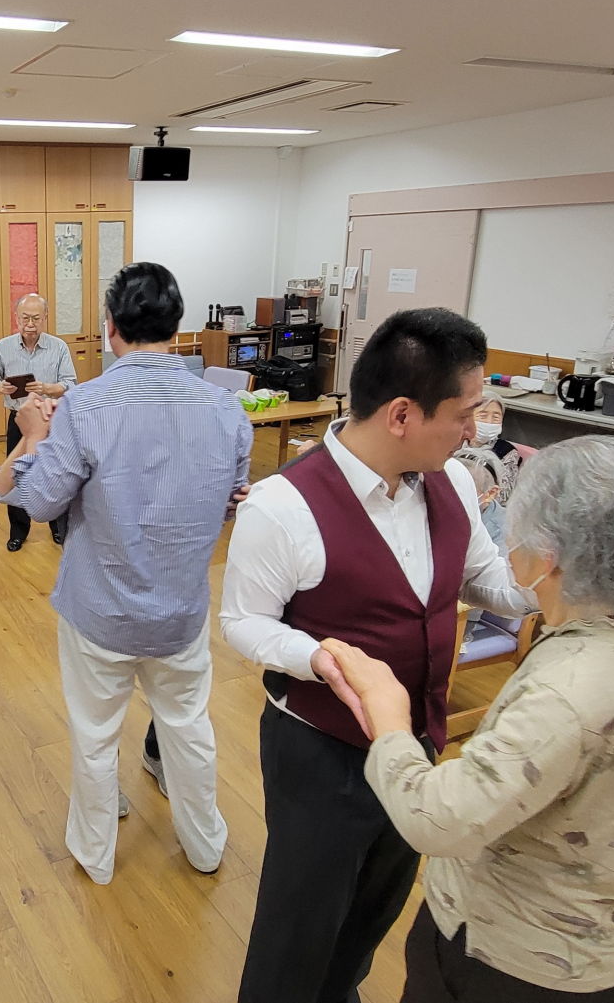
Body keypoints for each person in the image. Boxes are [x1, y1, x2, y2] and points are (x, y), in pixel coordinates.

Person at [319, 436, 614, 1002]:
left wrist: (390, 718)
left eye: (513, 531)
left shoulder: (570, 689)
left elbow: (438, 820)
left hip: (514, 964)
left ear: (547, 557)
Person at [220, 306, 532, 1003]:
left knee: (374, 908)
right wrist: (316, 657)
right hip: (321, 751)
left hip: (417, 740)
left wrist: (557, 583)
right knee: (299, 926)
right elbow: (242, 621)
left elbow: (483, 577)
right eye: (464, 413)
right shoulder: (282, 504)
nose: (474, 430)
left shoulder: (453, 482)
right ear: (401, 415)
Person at [0, 262, 249, 884]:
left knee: (95, 734)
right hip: (181, 610)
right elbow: (232, 497)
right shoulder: (225, 408)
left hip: (100, 610)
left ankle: (96, 854)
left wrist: (33, 436)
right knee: (188, 729)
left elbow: (41, 503)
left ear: (110, 327)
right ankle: (205, 846)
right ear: (177, 326)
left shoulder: (85, 405)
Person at [0, 294, 77, 550]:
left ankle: (58, 527)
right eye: (25, 318)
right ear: (16, 318)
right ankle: (18, 531)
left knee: (55, 474)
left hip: (51, 419)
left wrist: (46, 388)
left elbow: (70, 383)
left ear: (45, 318)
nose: (30, 324)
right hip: (19, 420)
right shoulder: (4, 346)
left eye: (36, 318)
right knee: (15, 473)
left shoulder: (58, 347)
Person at [462, 395, 521, 504]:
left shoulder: (507, 452)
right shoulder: (456, 442)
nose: (489, 422)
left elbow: (505, 495)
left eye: (496, 417)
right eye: (483, 416)